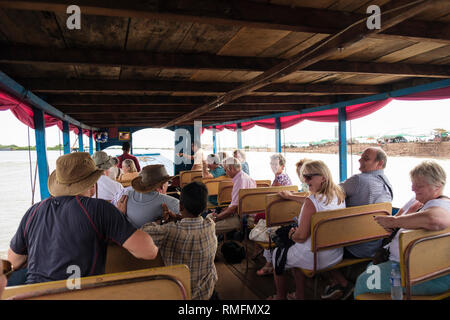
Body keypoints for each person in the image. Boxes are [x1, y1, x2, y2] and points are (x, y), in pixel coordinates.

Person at [7, 152, 158, 285]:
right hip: (79, 293)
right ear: (92, 185)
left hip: (34, 293)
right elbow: (148, 251)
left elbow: (14, 261)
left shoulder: (34, 211)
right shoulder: (100, 209)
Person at [354, 160, 450, 298]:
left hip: (425, 274)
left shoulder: (442, 205)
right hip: (402, 265)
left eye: (419, 185)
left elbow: (436, 219)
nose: (413, 188)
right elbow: (396, 224)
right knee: (370, 269)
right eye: (413, 184)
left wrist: (394, 221)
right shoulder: (417, 200)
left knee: (363, 282)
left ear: (437, 187)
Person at [321, 147, 393, 299]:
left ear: (379, 164)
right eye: (361, 157)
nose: (360, 160)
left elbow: (330, 192)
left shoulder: (359, 180)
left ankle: (343, 284)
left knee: (315, 244)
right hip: (374, 244)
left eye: (366, 158)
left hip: (354, 245)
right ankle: (335, 283)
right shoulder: (388, 184)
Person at [269, 160, 346, 300]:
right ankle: (299, 295)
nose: (305, 180)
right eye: (304, 177)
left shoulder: (312, 201)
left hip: (315, 258)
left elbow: (301, 237)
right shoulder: (338, 194)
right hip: (335, 254)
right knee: (293, 254)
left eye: (309, 177)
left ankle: (280, 296)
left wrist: (292, 235)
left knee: (277, 254)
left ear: (323, 177)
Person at [142, 182, 218, 300]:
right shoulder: (210, 225)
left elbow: (144, 232)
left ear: (181, 206)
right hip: (205, 293)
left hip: (179, 293)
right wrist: (177, 217)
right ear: (205, 207)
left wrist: (162, 221)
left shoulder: (169, 231)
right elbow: (192, 222)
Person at [256, 157, 303, 277]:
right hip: (289, 212)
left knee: (261, 219)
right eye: (272, 164)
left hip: (280, 213)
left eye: (276, 164)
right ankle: (261, 252)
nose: (273, 166)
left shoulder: (279, 179)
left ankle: (268, 261)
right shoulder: (284, 176)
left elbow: (272, 198)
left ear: (282, 166)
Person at [117, 164, 180, 229]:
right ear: (162, 186)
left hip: (127, 236)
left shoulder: (123, 197)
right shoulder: (173, 203)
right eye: (168, 182)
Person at [209, 157, 256, 233]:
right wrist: (226, 210)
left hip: (244, 218)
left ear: (230, 168)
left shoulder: (239, 181)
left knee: (209, 228)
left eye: (225, 170)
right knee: (214, 217)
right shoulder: (245, 177)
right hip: (246, 213)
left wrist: (217, 218)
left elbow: (233, 209)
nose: (225, 172)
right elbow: (234, 206)